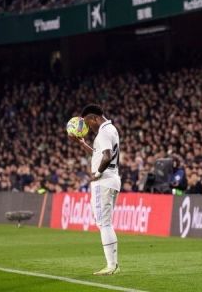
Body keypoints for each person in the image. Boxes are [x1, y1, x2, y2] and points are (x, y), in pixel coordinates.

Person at [69, 104, 122, 275]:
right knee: (105, 223)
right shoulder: (111, 129)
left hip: (104, 181)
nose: (87, 127)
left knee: (104, 223)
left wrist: (97, 173)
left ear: (94, 118)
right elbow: (99, 154)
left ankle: (112, 266)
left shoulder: (104, 132)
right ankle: (113, 265)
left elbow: (106, 156)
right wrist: (82, 144)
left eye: (87, 123)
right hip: (112, 179)